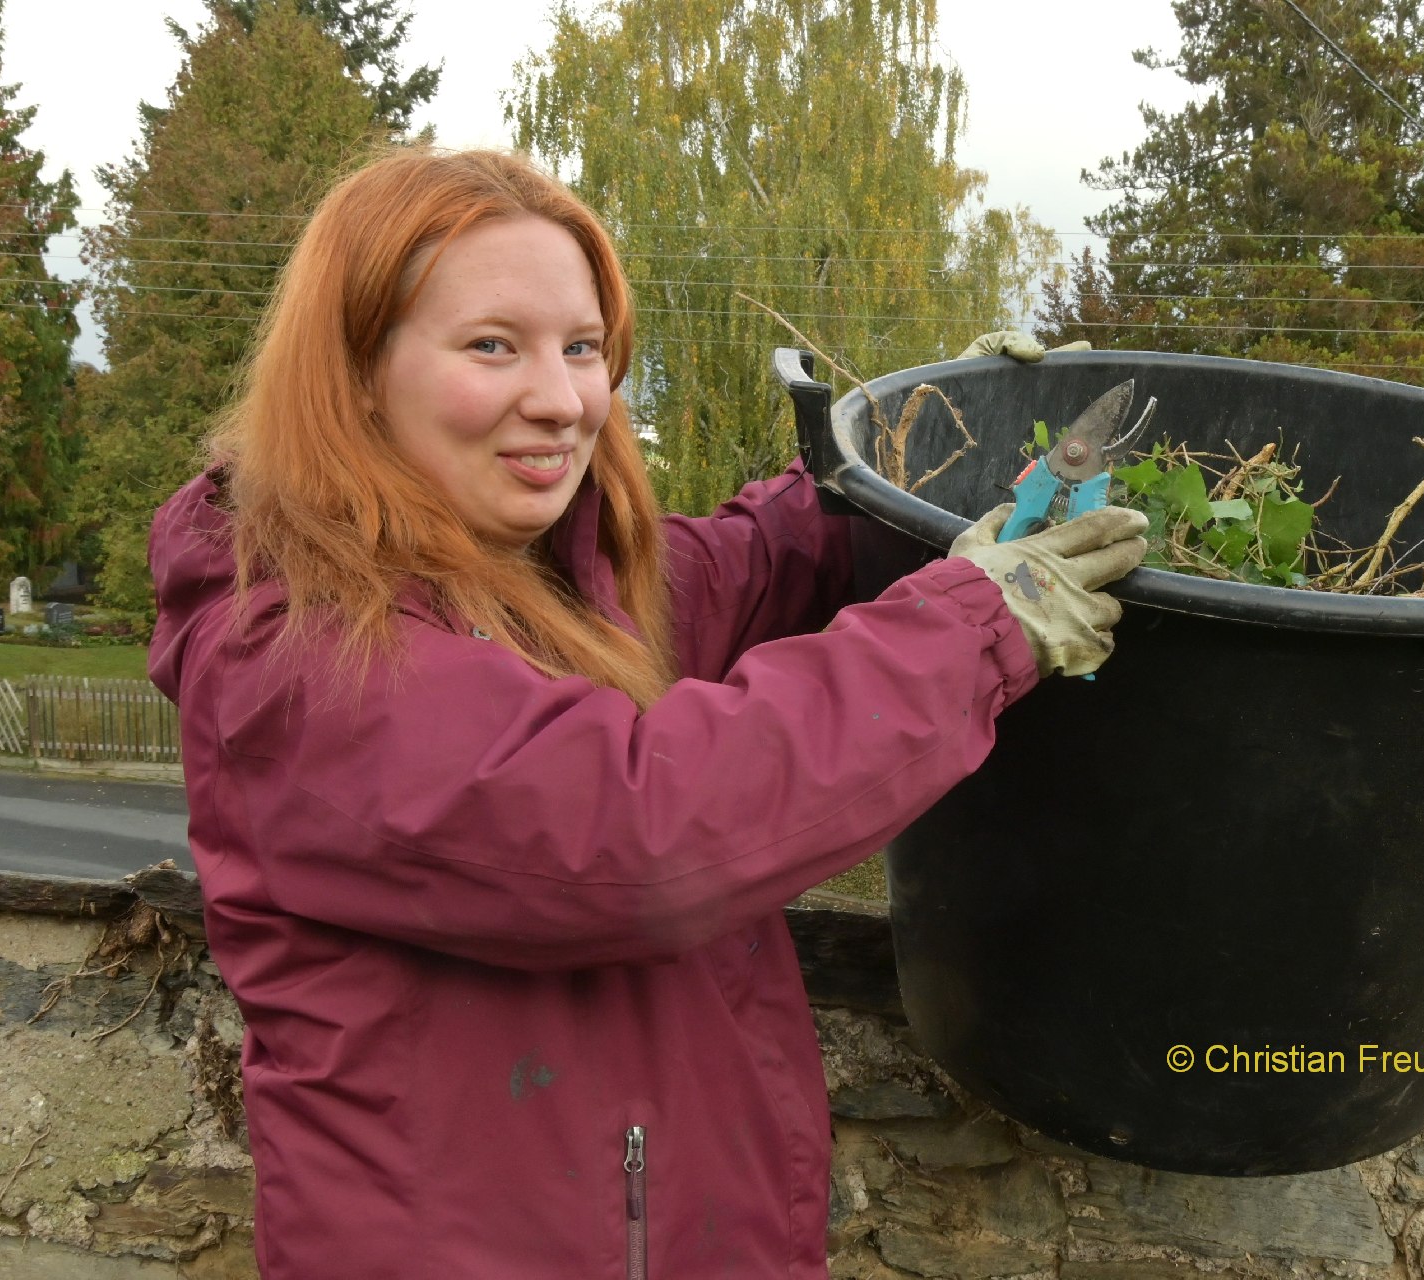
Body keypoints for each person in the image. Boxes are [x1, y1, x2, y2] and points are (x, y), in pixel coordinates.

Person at [147, 146, 1146, 1278]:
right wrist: (978, 625)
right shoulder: (300, 655)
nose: (563, 399)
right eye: (493, 345)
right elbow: (643, 828)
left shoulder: (545, 578)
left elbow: (754, 561)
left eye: (582, 348)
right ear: (356, 372)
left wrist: (912, 442)